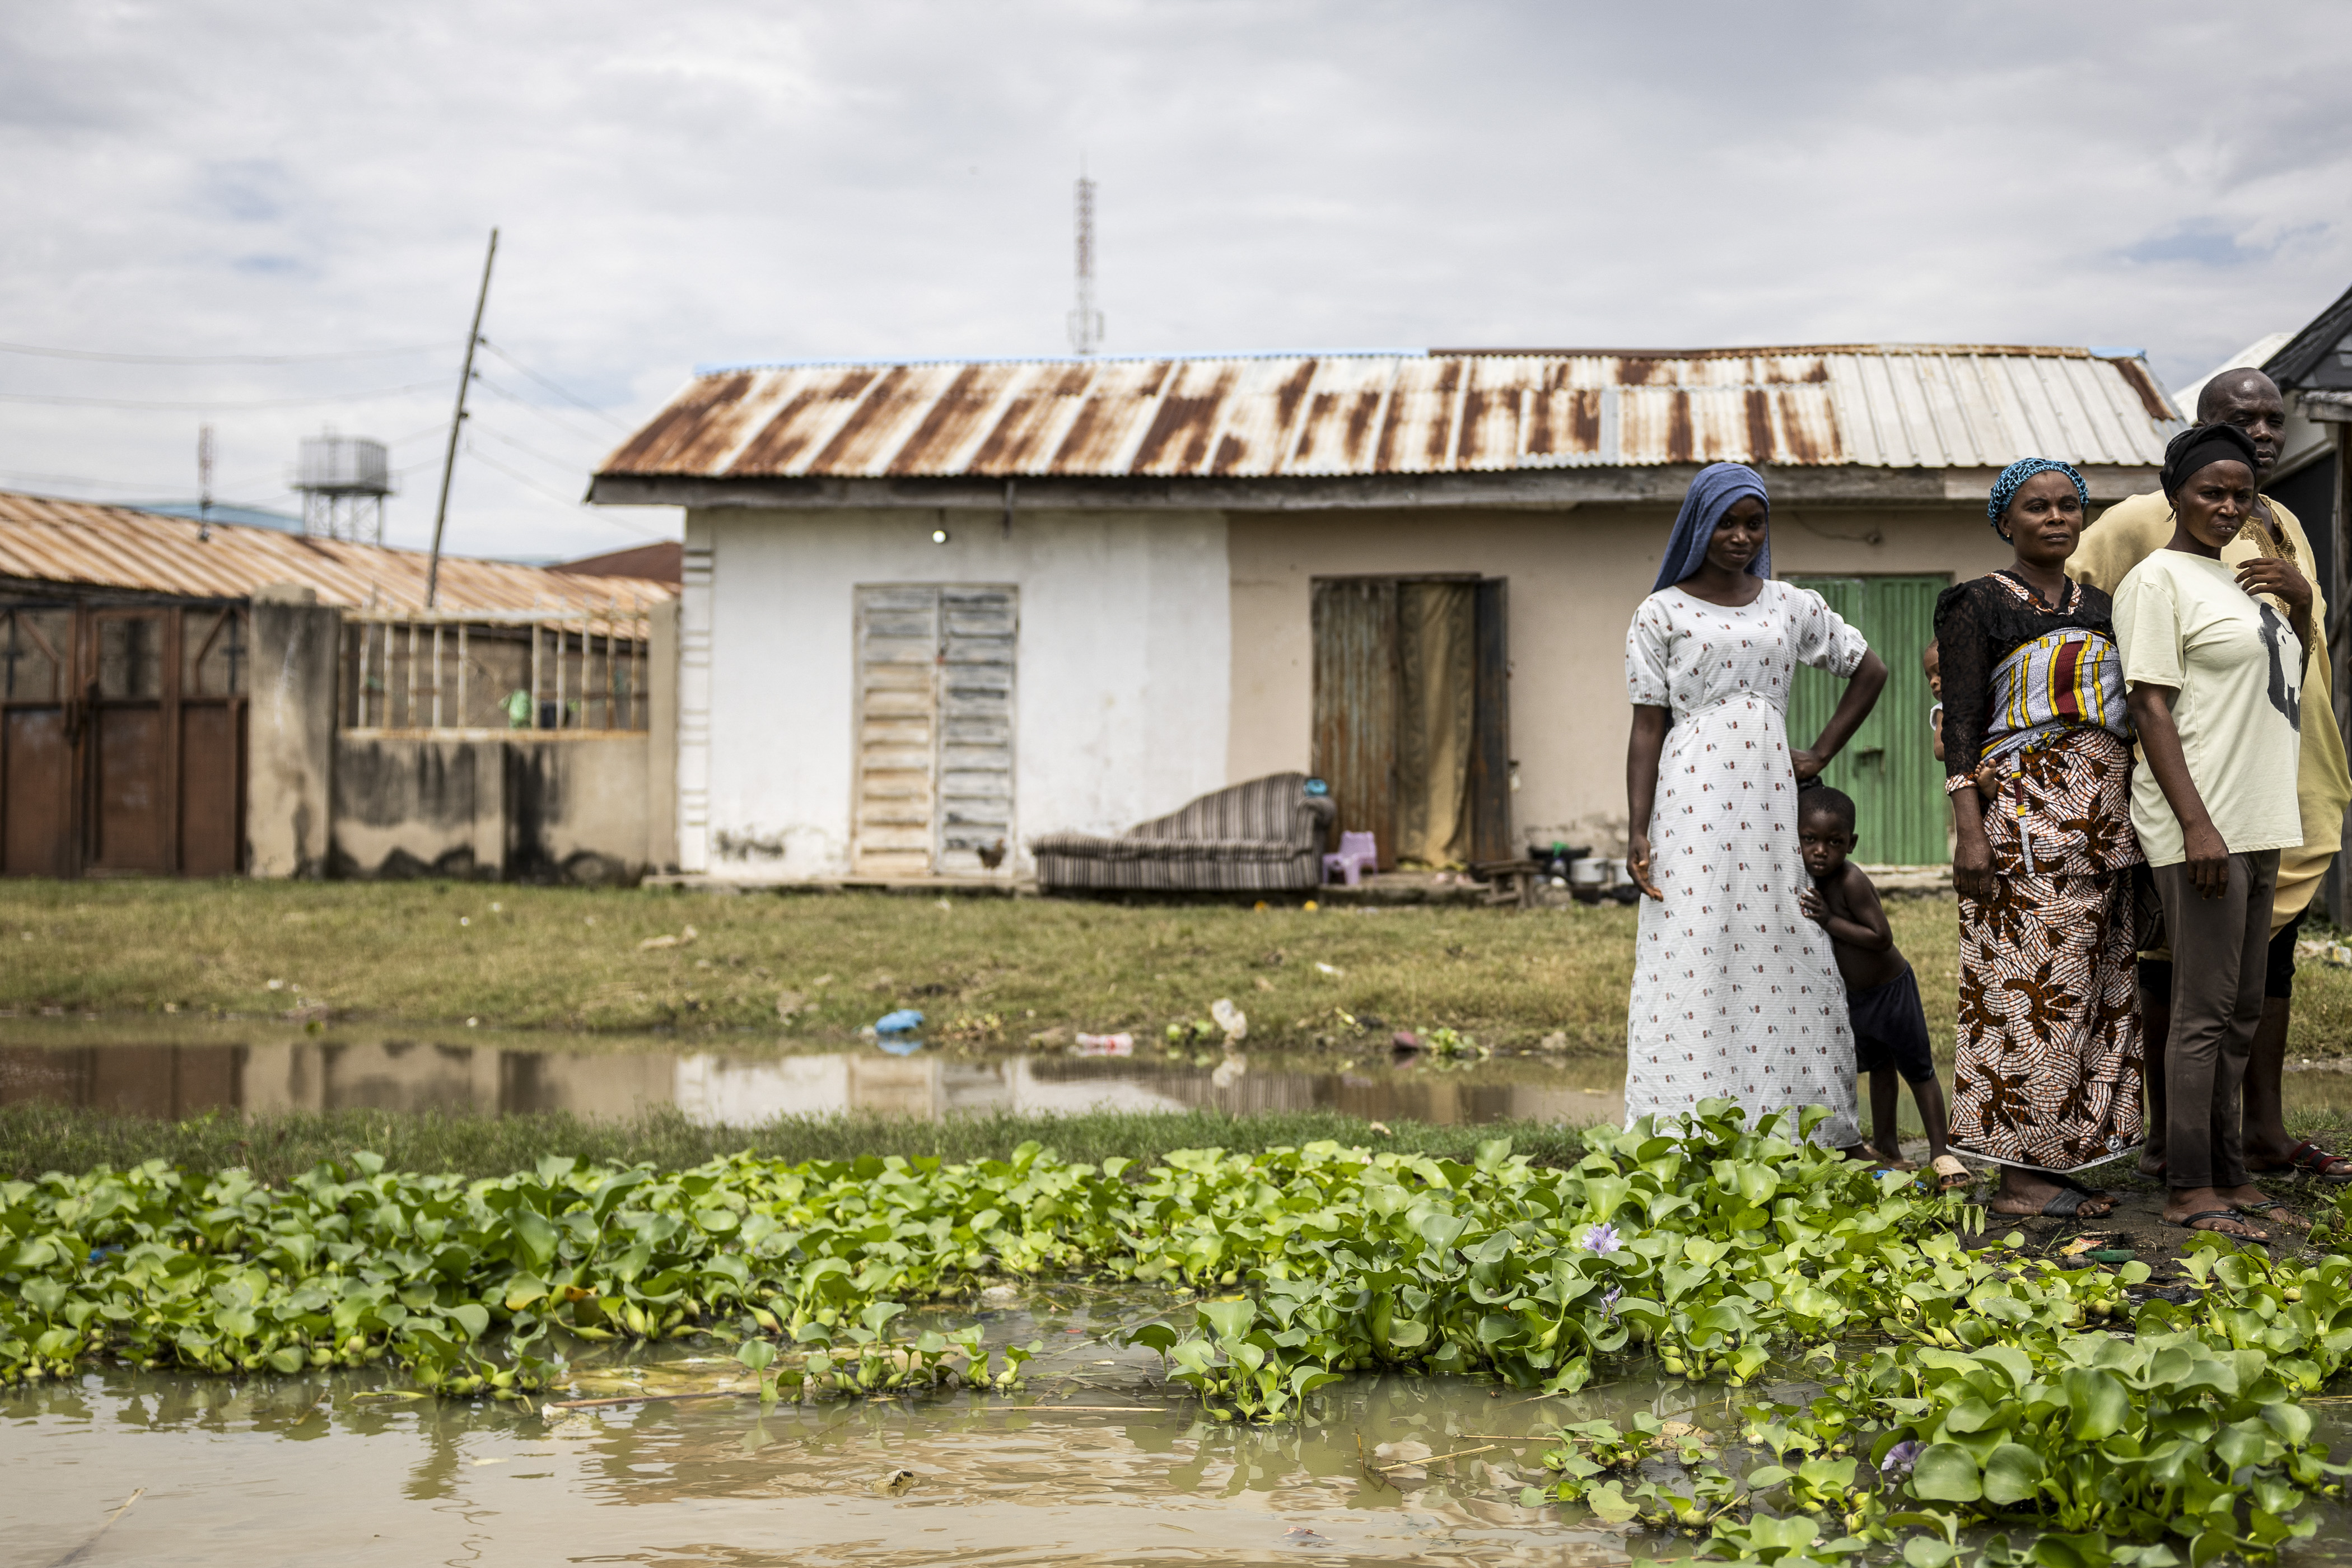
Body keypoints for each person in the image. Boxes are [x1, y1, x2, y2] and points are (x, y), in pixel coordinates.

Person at [2070, 368, 2352, 1184]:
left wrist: (2300, 602)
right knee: (2190, 986)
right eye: (2243, 419)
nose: (2264, 432)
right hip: (2202, 798)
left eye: (2272, 422)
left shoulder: (2279, 523)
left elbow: (2286, 661)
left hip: (2274, 789)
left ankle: (2244, 1151)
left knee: (2253, 984)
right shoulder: (2144, 538)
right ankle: (2181, 1164)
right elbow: (2121, 657)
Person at [1623, 462, 1889, 1149]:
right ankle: (1687, 1122)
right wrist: (1638, 829)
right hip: (1692, 798)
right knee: (1696, 938)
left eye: (1753, 522)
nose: (1740, 536)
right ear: (1696, 524)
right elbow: (1647, 725)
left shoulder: (1789, 605)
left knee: (1788, 934)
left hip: (1772, 795)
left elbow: (1870, 668)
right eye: (1725, 522)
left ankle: (1802, 1122)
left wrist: (1823, 752)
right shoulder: (1661, 612)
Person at [2115, 423, 2311, 1240]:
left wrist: (2299, 603)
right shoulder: (2156, 581)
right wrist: (2196, 825)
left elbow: (2286, 687)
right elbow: (2149, 704)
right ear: (2176, 494)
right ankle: (2189, 1186)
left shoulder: (2241, 583)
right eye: (2211, 492)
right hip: (2204, 824)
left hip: (2261, 819)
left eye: (2240, 494)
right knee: (2201, 1011)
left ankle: (2229, 1172)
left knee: (2239, 1009)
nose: (2228, 507)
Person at [1938, 458, 2143, 1219]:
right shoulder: (1977, 604)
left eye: (2067, 506)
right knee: (2020, 996)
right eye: (2036, 508)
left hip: (2104, 825)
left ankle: (2058, 1158)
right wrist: (1970, 834)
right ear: (2006, 521)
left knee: (2092, 996)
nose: (2055, 518)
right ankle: (2018, 1180)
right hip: (2019, 825)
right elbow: (1961, 726)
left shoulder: (2109, 606)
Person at [1796, 784, 1965, 1188]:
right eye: (1810, 840)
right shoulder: (1806, 879)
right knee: (1878, 1066)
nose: (1821, 851)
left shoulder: (1851, 881)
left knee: (1918, 1068)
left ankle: (1941, 1153)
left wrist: (1829, 922)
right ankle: (1888, 1145)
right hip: (1856, 998)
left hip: (1891, 990)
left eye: (1834, 843)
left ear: (1851, 843)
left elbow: (1880, 937)